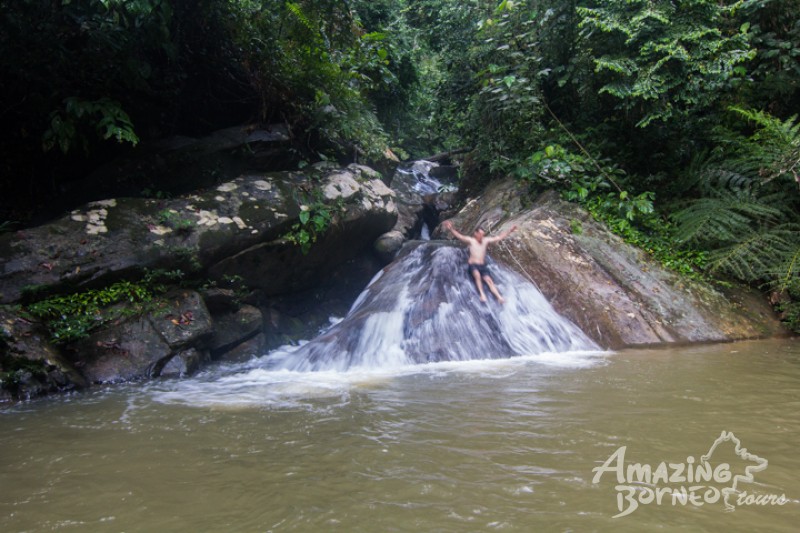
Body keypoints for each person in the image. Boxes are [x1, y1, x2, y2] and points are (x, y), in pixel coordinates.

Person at [443, 220, 518, 303]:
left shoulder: (486, 241)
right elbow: (460, 237)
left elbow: (499, 237)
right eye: (480, 234)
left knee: (489, 280)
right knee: (477, 275)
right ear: (476, 234)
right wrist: (451, 229)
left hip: (482, 266)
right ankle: (482, 294)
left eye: (483, 235)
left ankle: (499, 297)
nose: (482, 236)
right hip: (473, 265)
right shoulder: (471, 241)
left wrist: (510, 231)